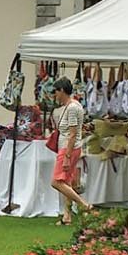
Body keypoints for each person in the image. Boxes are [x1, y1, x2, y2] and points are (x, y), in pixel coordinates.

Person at [49, 78, 91, 224]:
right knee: (67, 181)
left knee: (56, 182)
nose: (55, 95)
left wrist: (67, 156)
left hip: (68, 148)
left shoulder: (72, 108)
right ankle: (67, 216)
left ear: (61, 90)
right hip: (71, 147)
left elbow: (73, 133)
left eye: (55, 91)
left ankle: (84, 205)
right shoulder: (74, 106)